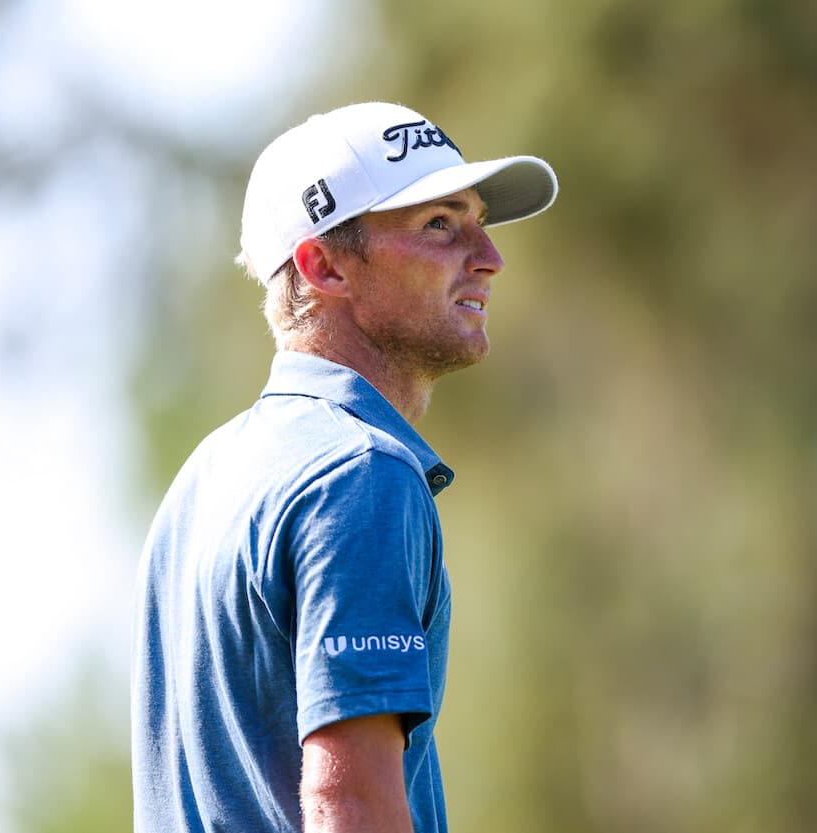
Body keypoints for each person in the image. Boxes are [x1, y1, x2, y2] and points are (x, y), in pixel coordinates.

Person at [131, 101, 558, 833]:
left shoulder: (204, 477)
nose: (489, 256)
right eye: (440, 225)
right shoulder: (360, 474)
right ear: (322, 264)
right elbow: (348, 803)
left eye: (478, 220)